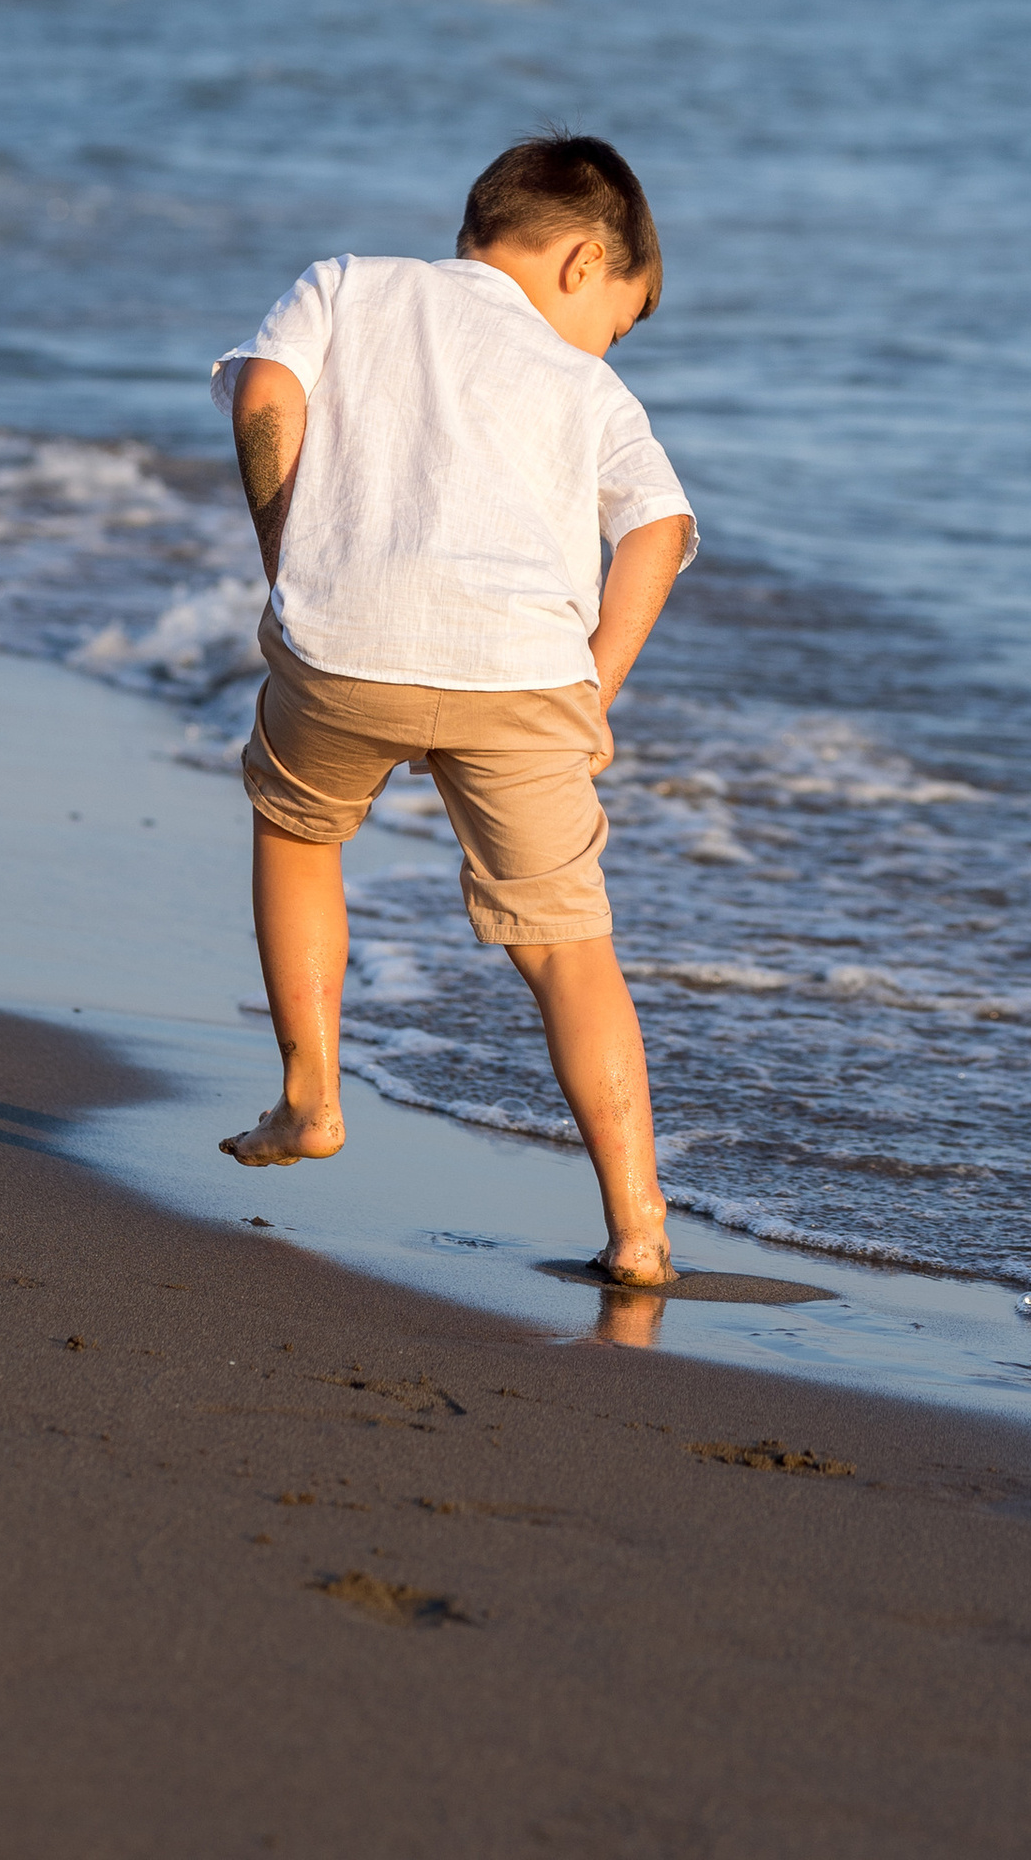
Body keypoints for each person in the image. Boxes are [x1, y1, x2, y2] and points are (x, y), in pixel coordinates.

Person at [208, 132, 695, 1285]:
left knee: (298, 828)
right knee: (570, 948)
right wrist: (597, 687)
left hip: (341, 650)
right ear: (584, 264)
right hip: (526, 681)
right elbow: (658, 532)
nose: (607, 342)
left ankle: (310, 1096)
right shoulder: (587, 384)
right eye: (619, 319)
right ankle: (638, 1226)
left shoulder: (349, 285)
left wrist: (290, 551)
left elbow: (265, 387)